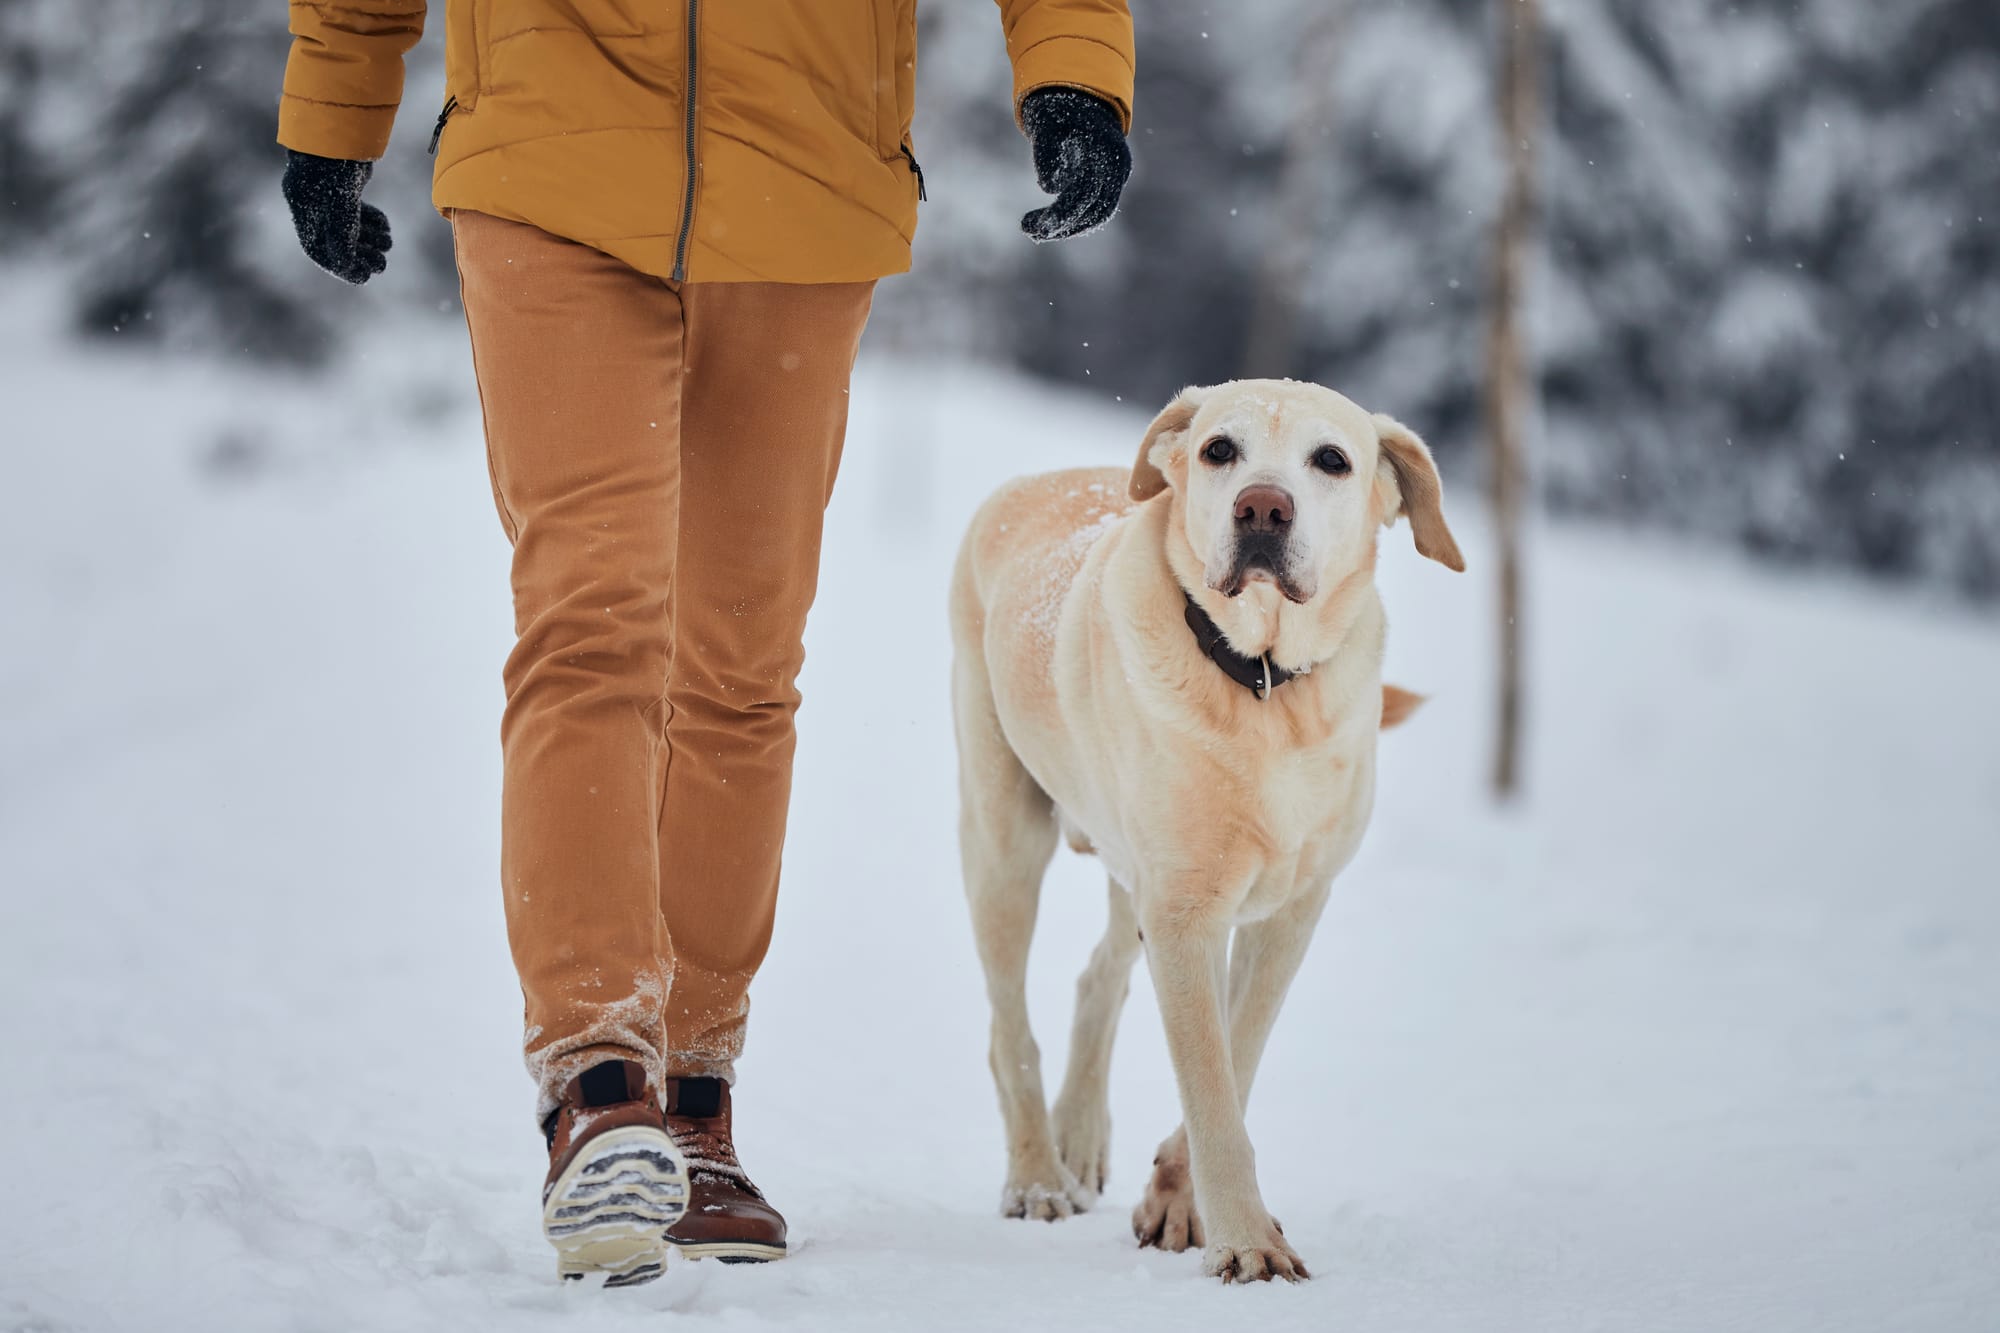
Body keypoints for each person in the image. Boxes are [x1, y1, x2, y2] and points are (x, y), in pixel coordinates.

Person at [276, 0, 1135, 1286]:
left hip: (806, 172)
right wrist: (337, 100)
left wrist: (1071, 78)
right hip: (550, 150)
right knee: (588, 625)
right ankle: (595, 1081)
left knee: (739, 665)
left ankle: (692, 1093)